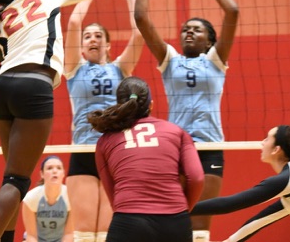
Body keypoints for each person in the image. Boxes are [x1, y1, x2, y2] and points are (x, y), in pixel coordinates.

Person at [0, 0, 123, 242]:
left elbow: (1, 58)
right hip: (33, 86)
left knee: (12, 177)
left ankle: (8, 238)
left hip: (1, 88)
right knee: (17, 180)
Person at [133, 0, 239, 239]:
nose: (188, 32)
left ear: (209, 41)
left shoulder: (215, 61)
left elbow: (232, 11)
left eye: (196, 29)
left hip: (209, 148)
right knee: (173, 221)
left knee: (201, 226)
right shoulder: (170, 61)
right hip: (175, 148)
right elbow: (141, 18)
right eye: (184, 29)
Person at [63, 0, 144, 242]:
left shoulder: (120, 69)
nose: (93, 39)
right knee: (84, 234)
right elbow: (74, 23)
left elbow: (140, 34)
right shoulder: (74, 69)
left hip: (114, 151)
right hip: (83, 150)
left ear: (109, 45)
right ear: (82, 46)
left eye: (99, 36)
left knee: (110, 233)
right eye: (88, 37)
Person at [87, 76, 205, 242]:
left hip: (128, 220)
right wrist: (181, 210)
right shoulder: (177, 132)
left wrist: (129, 211)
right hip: (175, 221)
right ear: (151, 104)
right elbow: (197, 178)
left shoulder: (105, 140)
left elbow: (111, 190)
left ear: (120, 104)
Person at [191, 125, 290, 241]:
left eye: (267, 139)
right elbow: (260, 220)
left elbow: (228, 204)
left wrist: (180, 209)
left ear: (276, 149)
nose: (262, 143)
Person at [22, 156, 74, 242]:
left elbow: (69, 234)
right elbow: (31, 236)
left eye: (59, 168)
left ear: (63, 173)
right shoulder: (31, 197)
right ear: (42, 174)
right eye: (49, 168)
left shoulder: (71, 196)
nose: (54, 171)